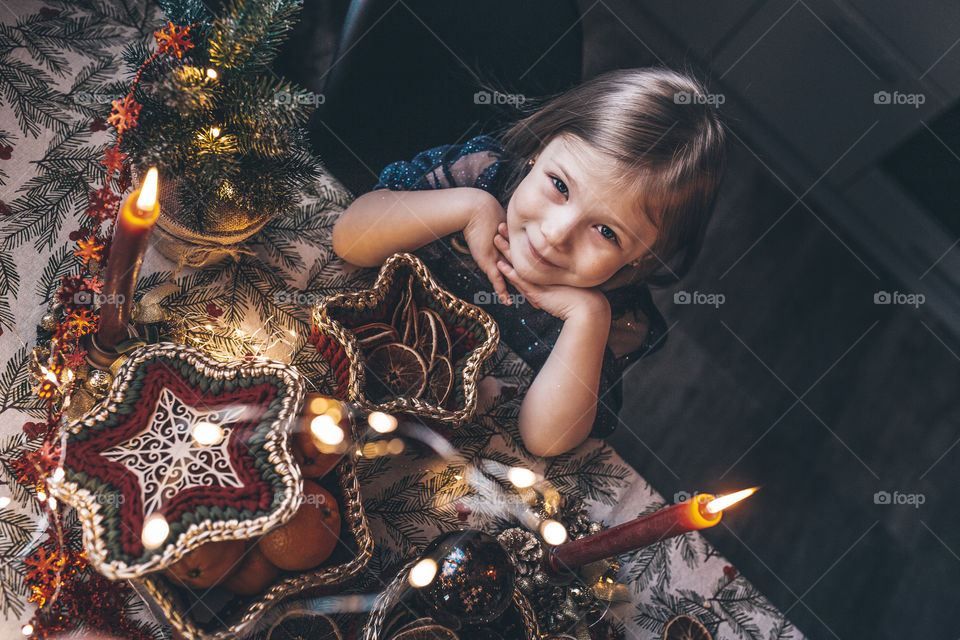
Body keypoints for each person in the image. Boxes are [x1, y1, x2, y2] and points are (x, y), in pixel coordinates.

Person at [332, 67, 728, 457]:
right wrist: (467, 206)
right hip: (338, 353)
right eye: (560, 186)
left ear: (642, 256)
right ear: (542, 146)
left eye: (607, 232)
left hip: (436, 448)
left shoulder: (615, 316)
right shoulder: (483, 176)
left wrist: (588, 315)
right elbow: (350, 240)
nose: (557, 234)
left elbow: (545, 440)